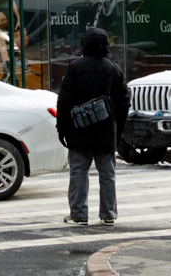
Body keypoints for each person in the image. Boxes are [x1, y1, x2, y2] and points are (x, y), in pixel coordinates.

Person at [55, 28, 127, 226]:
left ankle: (78, 214)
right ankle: (108, 214)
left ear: (84, 45)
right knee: (107, 174)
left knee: (78, 172)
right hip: (106, 133)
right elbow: (124, 104)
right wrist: (117, 131)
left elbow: (64, 101)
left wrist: (62, 129)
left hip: (79, 131)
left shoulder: (74, 68)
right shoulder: (114, 69)